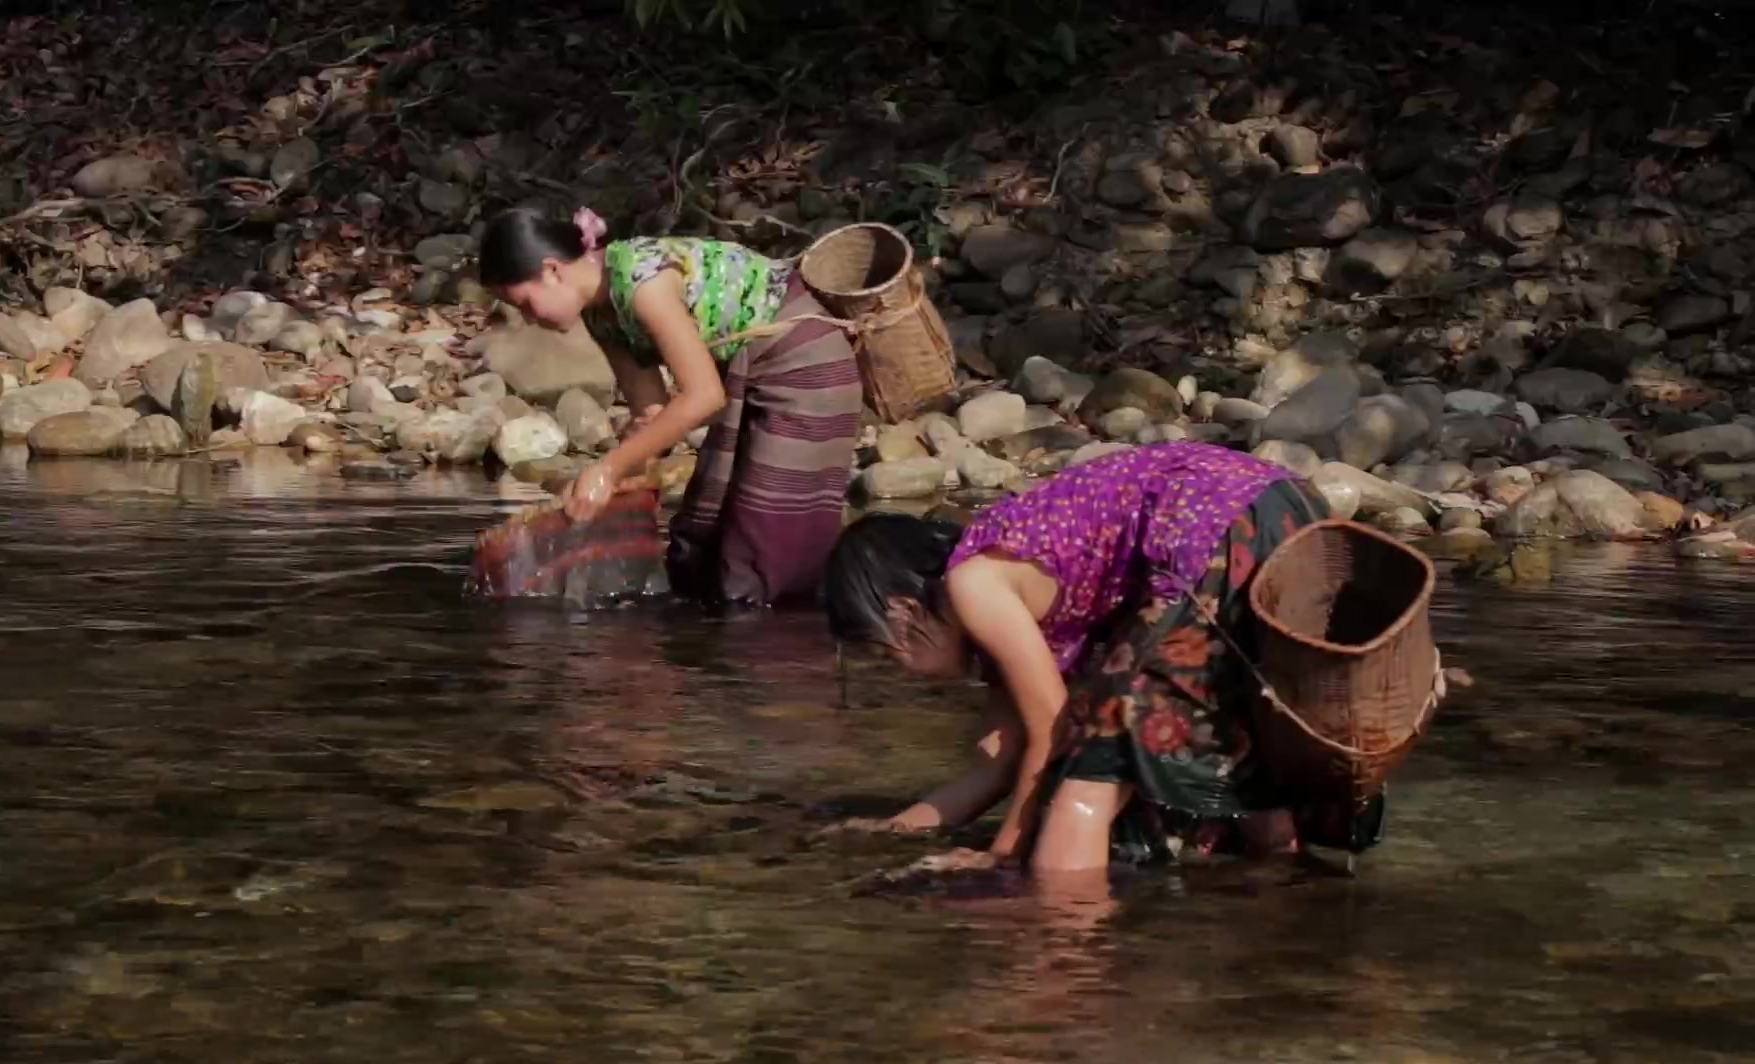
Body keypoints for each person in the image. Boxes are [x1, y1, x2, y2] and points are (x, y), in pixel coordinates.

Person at [821, 441, 1402, 885]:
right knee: (1244, 726)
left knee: (1095, 757)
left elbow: (1052, 734)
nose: (900, 669)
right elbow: (1000, 762)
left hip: (1210, 519)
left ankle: (1061, 956)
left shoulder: (973, 586)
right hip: (1283, 503)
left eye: (885, 650)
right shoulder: (1000, 574)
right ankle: (1283, 893)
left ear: (901, 610)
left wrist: (1000, 858)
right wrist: (894, 830)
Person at [477, 206, 863, 607]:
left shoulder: (643, 285)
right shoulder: (601, 314)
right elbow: (653, 411)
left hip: (805, 366)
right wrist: (624, 473)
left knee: (767, 544)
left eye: (523, 303)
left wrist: (606, 471)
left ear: (553, 270)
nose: (528, 318)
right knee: (706, 533)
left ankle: (788, 651)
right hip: (751, 375)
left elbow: (704, 397)